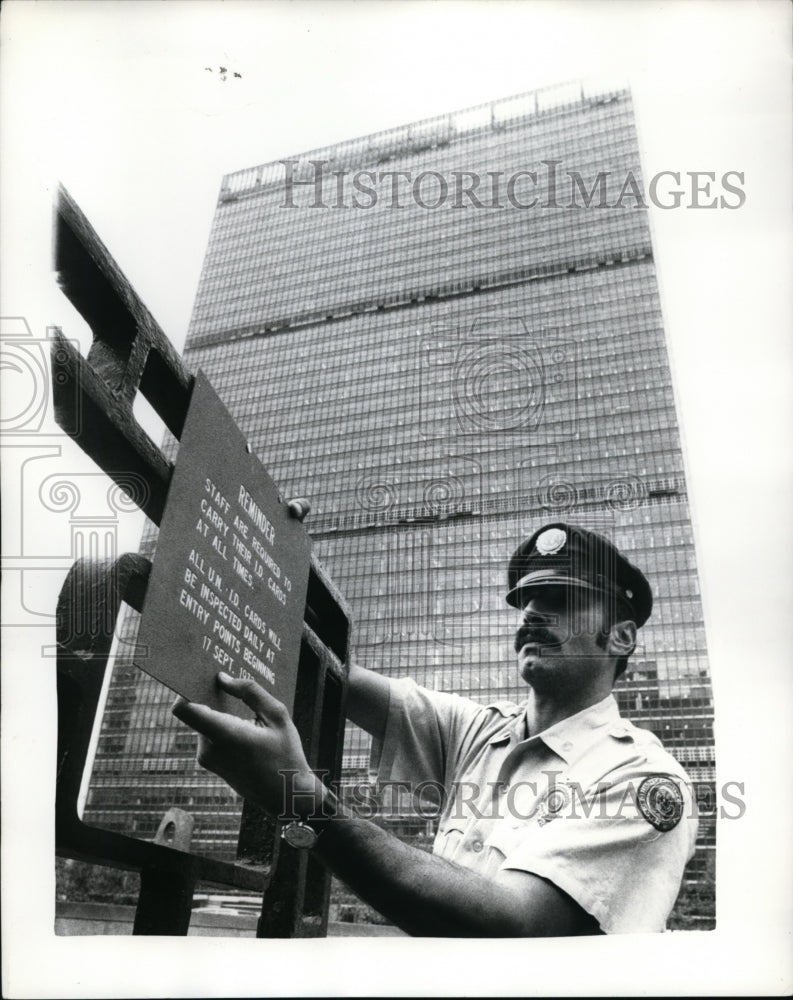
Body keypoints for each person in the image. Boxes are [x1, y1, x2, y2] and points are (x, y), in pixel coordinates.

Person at [172, 521, 698, 936]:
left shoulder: (643, 777)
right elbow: (324, 671)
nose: (532, 616)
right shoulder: (482, 733)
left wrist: (302, 800)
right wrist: (276, 565)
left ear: (622, 638)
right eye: (528, 604)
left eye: (562, 602)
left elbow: (514, 924)